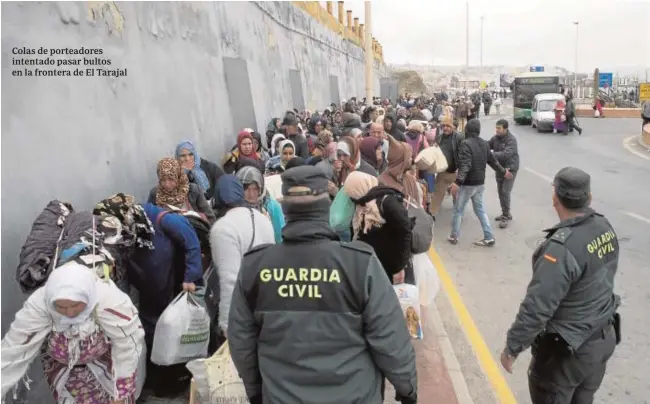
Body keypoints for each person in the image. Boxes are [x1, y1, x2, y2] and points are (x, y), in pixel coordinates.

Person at [228, 166, 418, 404]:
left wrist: (256, 391)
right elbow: (391, 338)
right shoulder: (360, 264)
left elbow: (241, 342)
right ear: (325, 207)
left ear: (285, 210)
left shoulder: (255, 267)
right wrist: (407, 389)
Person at [501, 167, 620, 404]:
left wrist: (512, 348)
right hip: (601, 341)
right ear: (589, 198)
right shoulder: (604, 227)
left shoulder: (560, 249)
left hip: (567, 356)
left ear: (555, 198)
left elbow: (537, 307)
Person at [1, 262, 145, 403]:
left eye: (76, 305)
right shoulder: (40, 305)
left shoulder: (109, 302)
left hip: (110, 369)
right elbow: (13, 349)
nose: (69, 312)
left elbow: (128, 345)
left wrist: (121, 393)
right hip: (67, 375)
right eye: (61, 307)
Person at [209, 175, 275, 336]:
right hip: (271, 303)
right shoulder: (263, 218)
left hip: (245, 311)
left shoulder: (222, 229)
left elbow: (229, 280)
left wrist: (226, 325)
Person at [449, 119, 509, 246]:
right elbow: (493, 161)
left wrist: (457, 183)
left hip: (468, 184)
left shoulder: (465, 144)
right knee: (480, 210)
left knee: (458, 210)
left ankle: (454, 236)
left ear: (467, 130)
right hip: (480, 183)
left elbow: (465, 165)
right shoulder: (484, 144)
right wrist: (504, 172)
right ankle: (489, 237)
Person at [344, 171, 411, 284]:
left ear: (360, 189)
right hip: (373, 264)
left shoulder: (388, 203)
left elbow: (405, 233)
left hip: (389, 267)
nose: (352, 200)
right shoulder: (363, 203)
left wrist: (399, 268)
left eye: (352, 195)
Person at [148, 157, 216, 223]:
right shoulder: (156, 194)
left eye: (171, 179)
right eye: (163, 180)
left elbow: (210, 217)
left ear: (178, 177)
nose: (167, 184)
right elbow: (149, 218)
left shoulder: (193, 190)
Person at [235, 166, 285, 243]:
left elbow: (280, 237)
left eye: (255, 189)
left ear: (261, 188)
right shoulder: (234, 206)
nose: (251, 194)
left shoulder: (271, 206)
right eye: (246, 189)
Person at [431, 113, 465, 216]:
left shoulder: (459, 138)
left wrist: (461, 170)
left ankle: (458, 215)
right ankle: (430, 217)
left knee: (457, 196)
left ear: (453, 127)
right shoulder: (439, 138)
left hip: (455, 173)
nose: (445, 128)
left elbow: (464, 155)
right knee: (436, 196)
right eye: (443, 126)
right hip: (442, 173)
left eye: (448, 126)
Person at [489, 119, 520, 228]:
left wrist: (491, 155)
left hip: (510, 168)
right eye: (496, 128)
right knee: (500, 192)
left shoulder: (511, 140)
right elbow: (487, 145)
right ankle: (505, 212)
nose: (497, 130)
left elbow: (506, 154)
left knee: (505, 191)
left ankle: (505, 216)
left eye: (499, 128)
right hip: (500, 168)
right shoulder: (495, 138)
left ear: (505, 129)